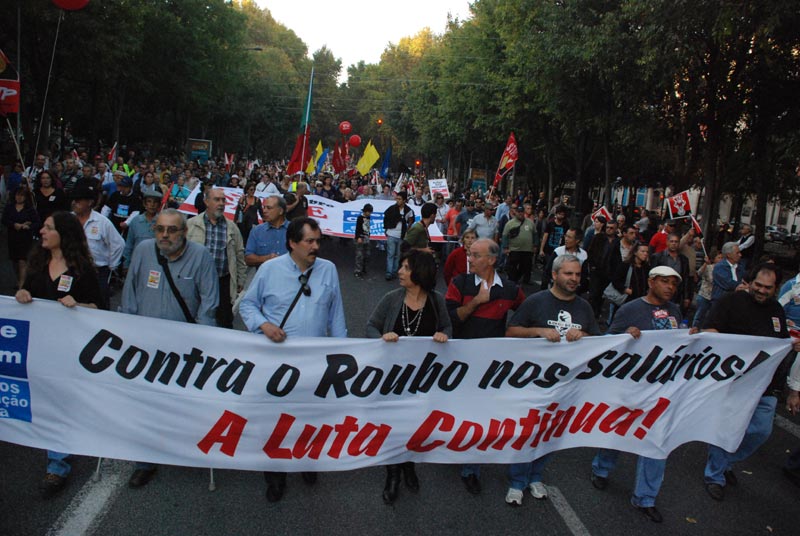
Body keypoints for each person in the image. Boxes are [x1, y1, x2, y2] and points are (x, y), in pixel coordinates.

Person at [239, 217, 346, 503]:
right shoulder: (269, 270)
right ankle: (275, 474)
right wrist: (263, 325)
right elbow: (247, 305)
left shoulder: (328, 270)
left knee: (310, 418)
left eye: (318, 241)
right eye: (309, 241)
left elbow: (336, 315)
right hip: (277, 363)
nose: (315, 247)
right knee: (276, 421)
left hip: (315, 363)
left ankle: (306, 461)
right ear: (292, 243)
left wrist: (342, 357)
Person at [121, 209, 219, 488]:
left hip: (185, 347)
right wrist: (125, 332)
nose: (165, 235)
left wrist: (204, 345)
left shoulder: (200, 256)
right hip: (146, 346)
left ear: (184, 232)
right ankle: (145, 460)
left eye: (171, 230)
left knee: (186, 402)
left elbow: (209, 304)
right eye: (160, 229)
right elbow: (130, 293)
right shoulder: (143, 250)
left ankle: (187, 449)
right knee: (146, 404)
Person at [15, 211, 101, 498]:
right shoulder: (38, 263)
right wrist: (22, 295)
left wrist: (80, 305)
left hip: (71, 352)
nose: (41, 231)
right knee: (46, 402)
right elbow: (25, 292)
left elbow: (101, 311)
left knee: (62, 405)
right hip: (39, 349)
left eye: (48, 228)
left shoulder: (83, 270)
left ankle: (57, 464)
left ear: (63, 234)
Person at [590, 265, 684, 523]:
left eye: (673, 284)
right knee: (620, 432)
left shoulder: (675, 311)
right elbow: (608, 342)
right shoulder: (630, 309)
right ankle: (602, 468)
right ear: (651, 282)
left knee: (656, 442)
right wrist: (625, 335)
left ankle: (646, 497)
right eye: (665, 282)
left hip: (663, 387)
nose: (670, 288)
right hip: (632, 385)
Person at [699, 263, 800, 501]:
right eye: (758, 285)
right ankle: (715, 474)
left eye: (768, 288)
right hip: (735, 382)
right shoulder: (730, 302)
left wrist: (791, 344)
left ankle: (726, 461)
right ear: (750, 282)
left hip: (765, 385)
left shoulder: (776, 310)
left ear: (775, 288)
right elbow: (709, 330)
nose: (762, 291)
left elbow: (781, 341)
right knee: (728, 429)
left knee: (761, 431)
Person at [505, 254, 600, 506]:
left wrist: (584, 335)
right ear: (555, 275)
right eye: (568, 274)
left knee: (551, 433)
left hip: (567, 386)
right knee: (528, 431)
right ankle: (517, 482)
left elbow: (598, 342)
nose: (574, 279)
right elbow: (511, 332)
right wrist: (538, 331)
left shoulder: (584, 307)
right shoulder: (536, 301)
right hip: (533, 382)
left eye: (578, 274)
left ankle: (536, 476)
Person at [366, 250, 451, 504]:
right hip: (392, 379)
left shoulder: (437, 301)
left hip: (422, 380)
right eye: (401, 266)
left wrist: (443, 336)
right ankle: (393, 474)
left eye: (405, 267)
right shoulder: (392, 299)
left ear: (420, 272)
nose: (400, 272)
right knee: (393, 427)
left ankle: (409, 466)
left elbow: (446, 327)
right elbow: (371, 325)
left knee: (414, 427)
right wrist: (382, 337)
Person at [445, 238, 525, 494]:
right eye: (470, 254)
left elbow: (526, 314)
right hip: (458, 364)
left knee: (479, 416)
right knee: (458, 412)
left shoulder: (511, 289)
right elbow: (451, 319)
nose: (469, 259)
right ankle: (453, 447)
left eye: (476, 255)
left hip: (491, 368)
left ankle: (471, 469)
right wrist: (477, 301)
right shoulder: (460, 283)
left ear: (491, 260)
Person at [187, 187, 246, 329]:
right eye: (217, 199)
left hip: (223, 283)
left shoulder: (231, 228)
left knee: (224, 321)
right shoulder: (191, 225)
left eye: (223, 200)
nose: (221, 203)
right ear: (206, 202)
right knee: (193, 318)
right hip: (196, 282)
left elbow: (239, 254)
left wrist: (241, 280)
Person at [70, 182, 124, 310]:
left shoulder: (102, 222)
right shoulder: (68, 219)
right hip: (72, 269)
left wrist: (112, 265)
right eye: (74, 200)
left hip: (97, 271)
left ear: (89, 202)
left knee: (100, 304)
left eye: (79, 200)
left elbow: (119, 244)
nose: (74, 203)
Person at [2, 184, 40, 289]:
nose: (19, 197)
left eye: (22, 195)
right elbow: (4, 220)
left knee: (22, 261)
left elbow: (37, 222)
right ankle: (18, 279)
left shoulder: (30, 209)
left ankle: (22, 284)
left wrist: (28, 226)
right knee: (14, 261)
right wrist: (14, 224)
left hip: (25, 237)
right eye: (18, 195)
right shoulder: (9, 207)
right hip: (12, 237)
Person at [650, 233, 692, 312]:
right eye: (671, 241)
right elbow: (652, 275)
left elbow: (686, 278)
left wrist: (686, 297)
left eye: (676, 242)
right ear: (667, 242)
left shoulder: (683, 259)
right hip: (660, 292)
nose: (674, 244)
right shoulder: (658, 257)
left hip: (677, 294)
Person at [244, 195, 289, 268]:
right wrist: (266, 258)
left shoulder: (295, 230)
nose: (264, 211)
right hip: (265, 277)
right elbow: (248, 258)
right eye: (264, 207)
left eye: (269, 208)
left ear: (280, 211)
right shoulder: (257, 231)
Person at [122, 190, 162, 269]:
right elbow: (129, 244)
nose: (152, 205)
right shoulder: (136, 221)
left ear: (159, 205)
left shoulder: (162, 222)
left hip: (156, 264)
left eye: (155, 202)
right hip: (137, 262)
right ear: (144, 204)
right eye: (149, 202)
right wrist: (126, 264)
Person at [383, 191, 415, 280]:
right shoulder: (391, 209)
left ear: (404, 200)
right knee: (390, 254)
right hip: (391, 234)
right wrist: (386, 229)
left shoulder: (408, 210)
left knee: (398, 255)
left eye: (400, 199)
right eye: (397, 198)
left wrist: (407, 230)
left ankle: (394, 272)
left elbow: (411, 220)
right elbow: (386, 219)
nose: (397, 201)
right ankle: (389, 273)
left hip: (401, 236)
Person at [502, 205, 537, 285]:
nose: (520, 214)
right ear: (516, 213)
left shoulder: (530, 222)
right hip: (514, 249)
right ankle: (511, 281)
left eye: (522, 212)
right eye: (519, 212)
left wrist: (535, 245)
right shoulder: (510, 223)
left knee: (525, 267)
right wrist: (505, 247)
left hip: (527, 250)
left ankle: (517, 279)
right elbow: (505, 236)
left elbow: (535, 234)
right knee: (512, 267)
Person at [692, 249, 720, 328]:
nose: (721, 260)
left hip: (714, 296)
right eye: (719, 258)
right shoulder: (708, 267)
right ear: (714, 259)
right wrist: (705, 264)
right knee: (699, 315)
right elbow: (699, 273)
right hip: (704, 295)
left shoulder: (723, 270)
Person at [354, 203, 373, 278]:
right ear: (365, 211)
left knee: (367, 254)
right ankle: (358, 270)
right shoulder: (360, 218)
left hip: (367, 237)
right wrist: (358, 237)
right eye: (369, 212)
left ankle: (364, 268)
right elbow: (357, 228)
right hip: (360, 237)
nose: (369, 213)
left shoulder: (369, 218)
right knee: (359, 255)